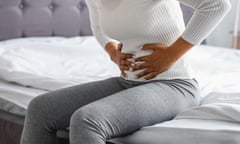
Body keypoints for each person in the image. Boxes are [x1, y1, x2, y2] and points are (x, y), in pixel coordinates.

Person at [20, 0, 231, 144]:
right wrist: (112, 50)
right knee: (40, 108)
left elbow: (216, 5)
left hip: (175, 85)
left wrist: (172, 54)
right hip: (128, 82)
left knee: (87, 120)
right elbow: (99, 28)